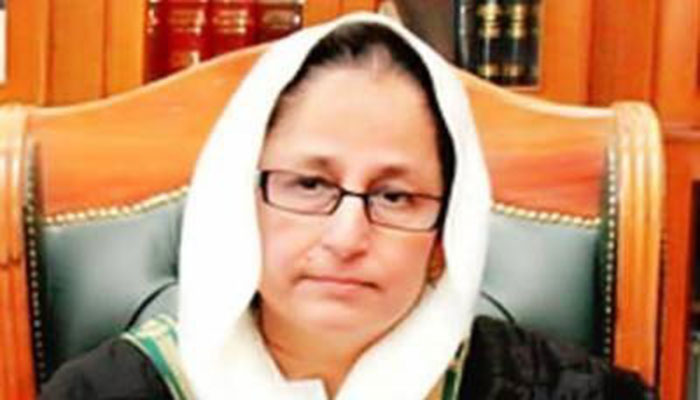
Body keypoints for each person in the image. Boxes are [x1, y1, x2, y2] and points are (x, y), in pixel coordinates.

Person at [40, 13, 652, 399]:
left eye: (395, 196)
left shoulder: (558, 391)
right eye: (310, 185)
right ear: (239, 202)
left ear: (445, 234)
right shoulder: (108, 391)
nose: (347, 236)